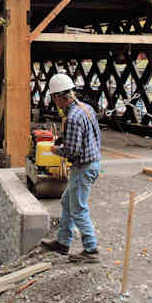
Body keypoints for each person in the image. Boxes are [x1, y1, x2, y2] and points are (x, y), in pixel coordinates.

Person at [41, 73, 102, 263]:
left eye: (53, 98)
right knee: (67, 201)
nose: (54, 102)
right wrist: (63, 139)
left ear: (59, 97)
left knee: (78, 209)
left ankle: (91, 250)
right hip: (91, 163)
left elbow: (73, 151)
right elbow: (91, 135)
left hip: (82, 167)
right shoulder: (86, 109)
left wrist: (54, 149)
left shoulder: (73, 118)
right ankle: (63, 242)